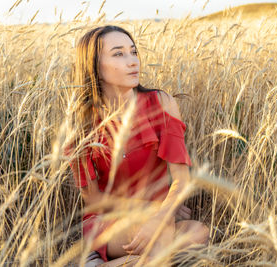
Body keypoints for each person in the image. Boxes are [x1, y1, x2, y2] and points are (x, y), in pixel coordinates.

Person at [67, 25, 209, 266]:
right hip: (109, 221)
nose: (133, 61)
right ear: (94, 67)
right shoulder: (81, 122)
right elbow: (93, 200)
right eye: (118, 54)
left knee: (199, 232)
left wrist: (162, 213)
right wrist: (154, 210)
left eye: (133, 52)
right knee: (164, 236)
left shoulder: (160, 103)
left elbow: (181, 179)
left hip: (158, 219)